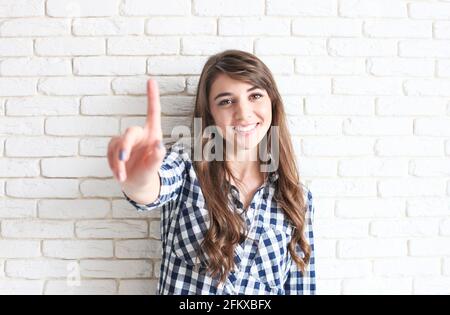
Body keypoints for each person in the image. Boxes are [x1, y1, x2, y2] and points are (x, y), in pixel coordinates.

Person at [107, 50, 316, 295]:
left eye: (255, 96)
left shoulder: (295, 197)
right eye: (226, 101)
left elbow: (300, 287)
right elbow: (152, 189)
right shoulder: (187, 165)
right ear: (210, 113)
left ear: (272, 103)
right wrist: (138, 178)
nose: (244, 113)